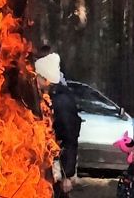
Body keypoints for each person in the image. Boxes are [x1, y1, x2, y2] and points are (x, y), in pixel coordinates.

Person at [34, 52, 81, 195]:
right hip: (48, 164)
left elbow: (70, 140)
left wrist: (67, 174)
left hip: (57, 168)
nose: (35, 79)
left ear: (46, 79)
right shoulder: (49, 98)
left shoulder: (62, 103)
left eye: (38, 76)